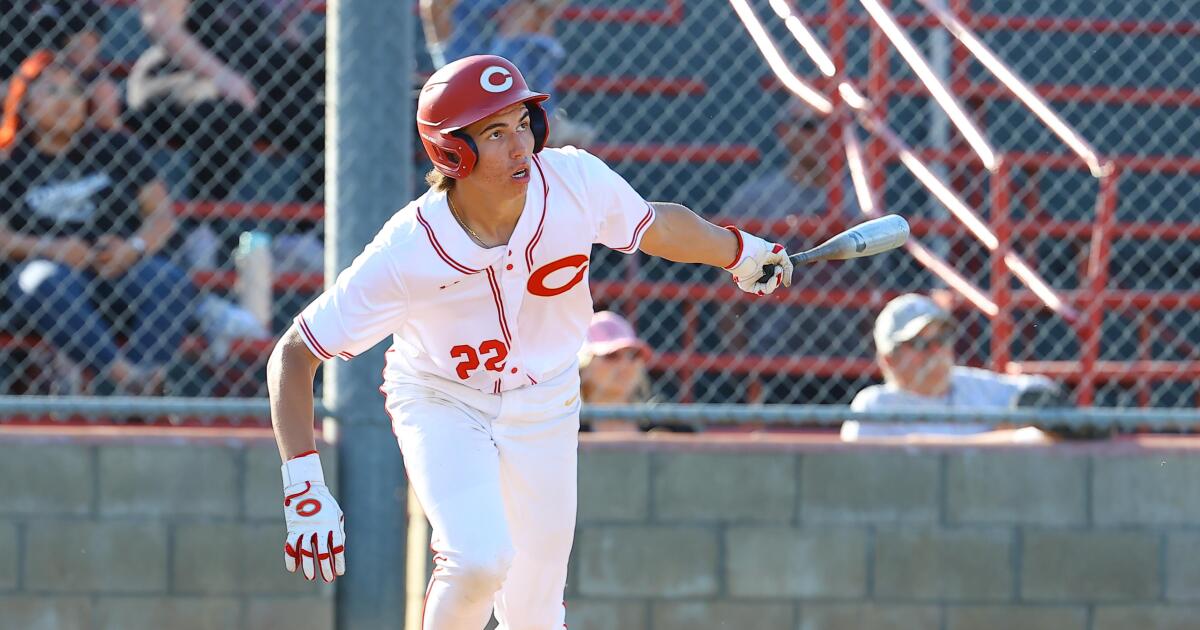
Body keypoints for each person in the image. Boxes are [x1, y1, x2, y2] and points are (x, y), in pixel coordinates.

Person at [266, 55, 793, 628]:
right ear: (451, 153)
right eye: (495, 133)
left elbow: (656, 223)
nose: (520, 144)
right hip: (443, 398)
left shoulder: (572, 181)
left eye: (522, 122)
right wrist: (303, 483)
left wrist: (740, 252)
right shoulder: (407, 250)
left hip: (547, 397)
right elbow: (294, 353)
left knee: (536, 613)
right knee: (476, 561)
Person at [0, 53, 195, 395]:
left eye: (75, 92)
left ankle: (144, 384)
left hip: (113, 268)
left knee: (169, 281)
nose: (66, 102)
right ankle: (125, 378)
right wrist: (53, 249)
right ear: (26, 103)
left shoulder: (115, 146)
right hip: (44, 282)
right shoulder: (9, 160)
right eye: (52, 91)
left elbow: (161, 215)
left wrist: (132, 249)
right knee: (47, 280)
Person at [127, 0, 324, 200]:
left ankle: (309, 230)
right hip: (184, 74)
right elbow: (159, 21)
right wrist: (222, 77)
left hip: (260, 78)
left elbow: (280, 32)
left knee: (333, 110)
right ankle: (203, 226)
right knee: (229, 114)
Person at [841, 293, 1063, 441]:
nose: (936, 352)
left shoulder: (970, 384)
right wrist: (1003, 439)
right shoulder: (875, 405)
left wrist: (1015, 416)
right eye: (921, 344)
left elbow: (1042, 393)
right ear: (889, 359)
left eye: (942, 339)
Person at [419, 0, 596, 147]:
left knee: (530, 12)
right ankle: (539, 117)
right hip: (463, 52)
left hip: (502, 37)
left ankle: (541, 116)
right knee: (524, 14)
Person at [723, 98, 858, 221]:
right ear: (784, 131)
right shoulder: (754, 198)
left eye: (833, 125)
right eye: (808, 125)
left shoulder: (862, 197)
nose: (823, 133)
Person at [578, 310, 653, 433]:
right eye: (611, 356)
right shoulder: (567, 430)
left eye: (633, 355)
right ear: (584, 365)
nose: (625, 365)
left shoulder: (662, 425)